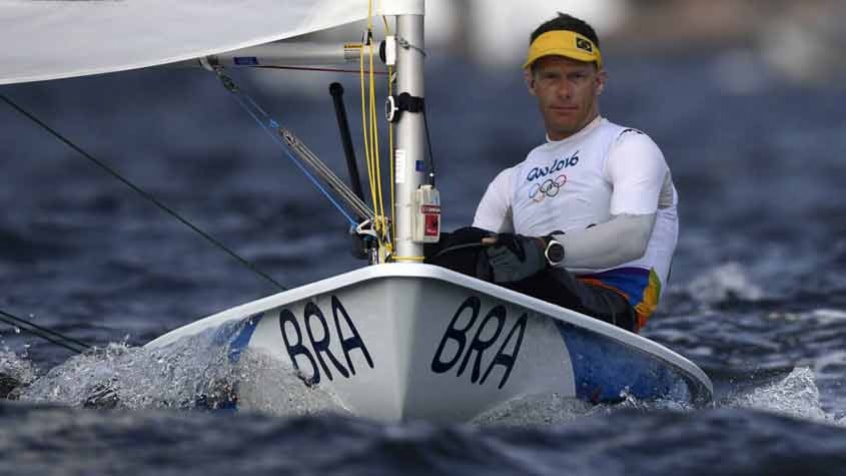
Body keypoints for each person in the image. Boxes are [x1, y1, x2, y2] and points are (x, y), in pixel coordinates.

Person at [430, 13, 678, 333]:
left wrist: (543, 251)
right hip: (537, 303)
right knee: (459, 245)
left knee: (527, 271)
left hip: (614, 309)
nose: (564, 91)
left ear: (599, 81)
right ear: (531, 83)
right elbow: (476, 262)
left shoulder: (630, 147)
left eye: (577, 77)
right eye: (551, 77)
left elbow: (633, 237)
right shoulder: (510, 180)